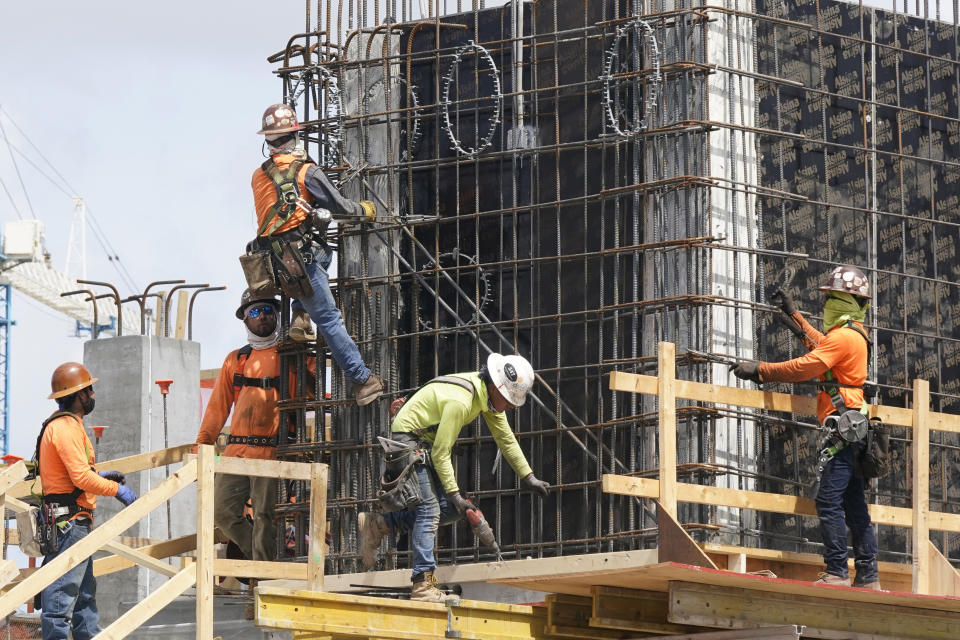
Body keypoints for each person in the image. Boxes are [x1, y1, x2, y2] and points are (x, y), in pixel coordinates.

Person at [731, 265, 880, 590]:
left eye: (834, 299)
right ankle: (868, 577)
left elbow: (805, 366)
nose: (829, 305)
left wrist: (761, 371)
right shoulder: (852, 335)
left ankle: (838, 572)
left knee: (828, 501)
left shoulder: (844, 337)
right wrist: (795, 316)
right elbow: (821, 346)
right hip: (853, 428)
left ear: (849, 302)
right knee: (854, 506)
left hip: (844, 430)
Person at [358, 353, 550, 602]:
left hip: (424, 442)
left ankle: (380, 525)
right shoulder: (462, 400)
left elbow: (506, 439)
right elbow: (440, 453)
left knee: (453, 510)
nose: (512, 406)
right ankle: (422, 585)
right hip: (407, 441)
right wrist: (455, 493)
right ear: (495, 388)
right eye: (510, 401)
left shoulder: (486, 398)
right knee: (430, 510)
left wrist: (529, 476)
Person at [252, 103, 383, 407]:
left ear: (269, 141)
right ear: (294, 136)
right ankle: (362, 380)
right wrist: (363, 211)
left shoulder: (258, 176)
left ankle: (299, 316)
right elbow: (339, 208)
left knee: (323, 252)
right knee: (329, 319)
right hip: (299, 262)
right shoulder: (306, 171)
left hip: (271, 263)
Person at [195, 289, 315, 564]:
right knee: (221, 511)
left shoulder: (291, 355)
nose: (263, 317)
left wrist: (302, 359)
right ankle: (264, 562)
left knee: (265, 516)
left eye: (268, 311)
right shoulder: (236, 359)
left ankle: (262, 581)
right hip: (236, 452)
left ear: (277, 315)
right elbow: (217, 409)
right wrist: (202, 446)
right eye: (255, 312)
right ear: (245, 320)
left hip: (271, 451)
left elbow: (312, 393)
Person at [38, 363, 137, 640]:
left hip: (74, 524)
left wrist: (99, 475)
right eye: (89, 389)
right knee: (61, 599)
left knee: (84, 600)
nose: (93, 394)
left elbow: (74, 474)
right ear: (79, 395)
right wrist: (114, 489)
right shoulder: (66, 427)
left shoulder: (66, 425)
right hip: (69, 525)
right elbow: (80, 478)